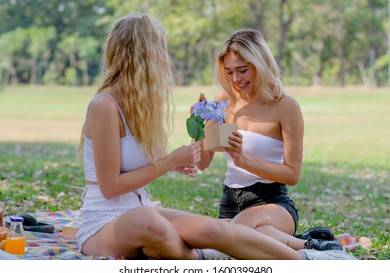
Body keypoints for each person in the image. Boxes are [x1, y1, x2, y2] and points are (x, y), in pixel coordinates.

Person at [76, 13, 355, 260]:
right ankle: (209, 258)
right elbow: (111, 186)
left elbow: (292, 173)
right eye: (161, 51)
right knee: (160, 222)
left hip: (262, 201)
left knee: (212, 228)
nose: (166, 59)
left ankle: (306, 262)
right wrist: (181, 153)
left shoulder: (138, 109)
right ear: (145, 57)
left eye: (242, 70)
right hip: (107, 220)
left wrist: (216, 156)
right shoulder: (104, 107)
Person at [196, 28, 342, 252]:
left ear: (260, 63)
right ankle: (308, 243)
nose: (236, 79)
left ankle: (307, 246)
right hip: (230, 202)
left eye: (243, 70)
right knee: (229, 238)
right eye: (229, 72)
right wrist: (197, 129)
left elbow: (292, 174)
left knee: (231, 238)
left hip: (272, 203)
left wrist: (244, 161)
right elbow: (203, 162)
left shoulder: (286, 106)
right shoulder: (223, 99)